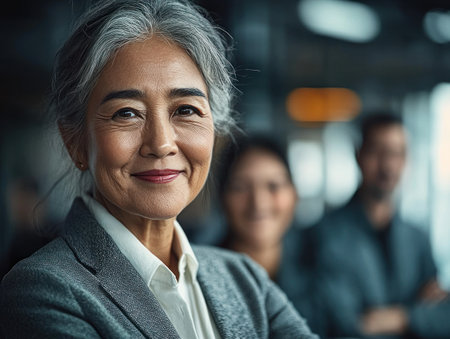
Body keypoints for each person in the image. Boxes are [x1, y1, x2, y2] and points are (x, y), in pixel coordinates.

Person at [0, 1, 318, 338]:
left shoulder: (245, 280)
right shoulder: (41, 291)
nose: (161, 143)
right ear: (75, 142)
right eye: (127, 113)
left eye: (185, 109)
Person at [316, 113, 450, 338]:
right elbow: (347, 325)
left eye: (398, 153)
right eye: (378, 152)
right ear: (358, 155)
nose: (388, 165)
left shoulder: (417, 237)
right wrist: (418, 314)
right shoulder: (325, 235)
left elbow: (444, 317)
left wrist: (399, 318)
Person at [218, 135, 325, 335]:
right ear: (222, 198)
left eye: (273, 186)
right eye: (240, 187)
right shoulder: (198, 275)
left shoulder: (323, 270)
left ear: (295, 195)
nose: (258, 203)